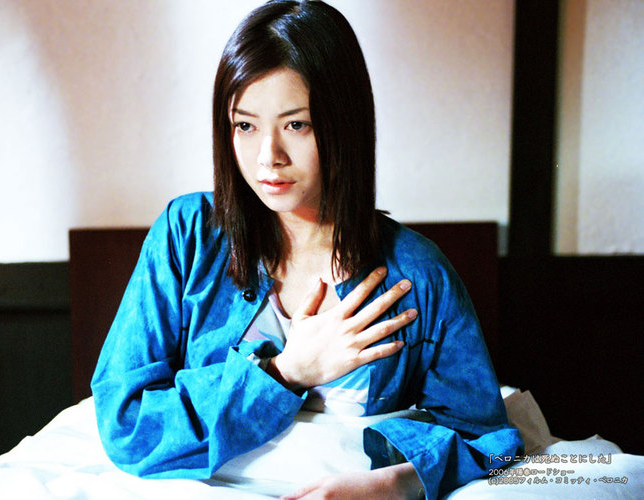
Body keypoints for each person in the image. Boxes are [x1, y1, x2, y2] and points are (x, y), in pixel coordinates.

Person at [91, 1, 523, 499]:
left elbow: (490, 443)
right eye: (245, 126)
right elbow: (126, 423)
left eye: (296, 125)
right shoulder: (187, 235)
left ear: (343, 124)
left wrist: (393, 483)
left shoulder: (417, 274)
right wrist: (285, 372)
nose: (268, 157)